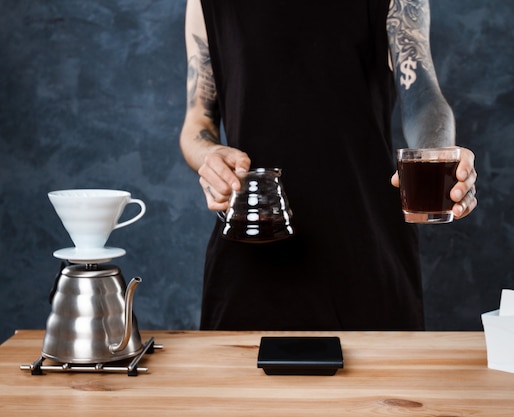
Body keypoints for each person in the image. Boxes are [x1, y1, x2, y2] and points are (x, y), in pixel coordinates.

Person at [180, 0, 477, 330]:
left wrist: (439, 154)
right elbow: (197, 122)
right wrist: (210, 156)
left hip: (368, 250)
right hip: (251, 246)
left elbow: (423, 96)